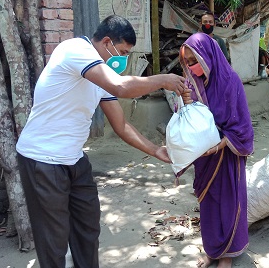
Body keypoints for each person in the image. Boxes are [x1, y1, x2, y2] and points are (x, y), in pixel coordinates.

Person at [16, 15, 185, 268]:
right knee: (54, 240)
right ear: (107, 42)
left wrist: (155, 150)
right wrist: (162, 80)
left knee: (87, 228)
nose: (124, 59)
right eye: (124, 52)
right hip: (43, 160)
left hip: (74, 159)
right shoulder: (75, 50)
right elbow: (120, 86)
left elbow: (121, 125)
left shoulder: (100, 72)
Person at [179, 33, 254, 268]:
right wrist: (184, 103)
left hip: (227, 155)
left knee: (228, 204)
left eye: (195, 60)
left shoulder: (231, 81)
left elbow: (242, 126)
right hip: (204, 156)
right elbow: (190, 119)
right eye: (188, 62)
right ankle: (212, 250)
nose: (192, 66)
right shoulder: (193, 83)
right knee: (209, 204)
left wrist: (220, 144)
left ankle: (226, 255)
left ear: (207, 56)